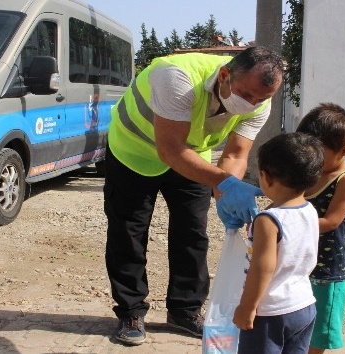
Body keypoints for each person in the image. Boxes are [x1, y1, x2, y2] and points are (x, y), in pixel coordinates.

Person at [103, 46, 284, 345]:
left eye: (261, 99)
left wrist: (225, 192)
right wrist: (223, 182)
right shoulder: (177, 77)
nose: (252, 104)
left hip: (191, 155)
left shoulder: (258, 105)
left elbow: (237, 154)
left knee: (192, 231)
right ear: (225, 75)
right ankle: (130, 312)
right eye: (247, 94)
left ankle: (184, 310)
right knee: (129, 230)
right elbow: (170, 149)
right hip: (134, 149)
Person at [233, 132, 324, 354]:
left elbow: (263, 268)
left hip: (271, 312)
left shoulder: (268, 221)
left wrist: (248, 307)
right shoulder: (309, 210)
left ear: (266, 177)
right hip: (303, 305)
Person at [295, 103, 345, 354]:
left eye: (318, 151)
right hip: (299, 262)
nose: (310, 156)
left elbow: (331, 221)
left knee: (318, 333)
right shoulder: (310, 170)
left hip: (328, 267)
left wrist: (286, 225)